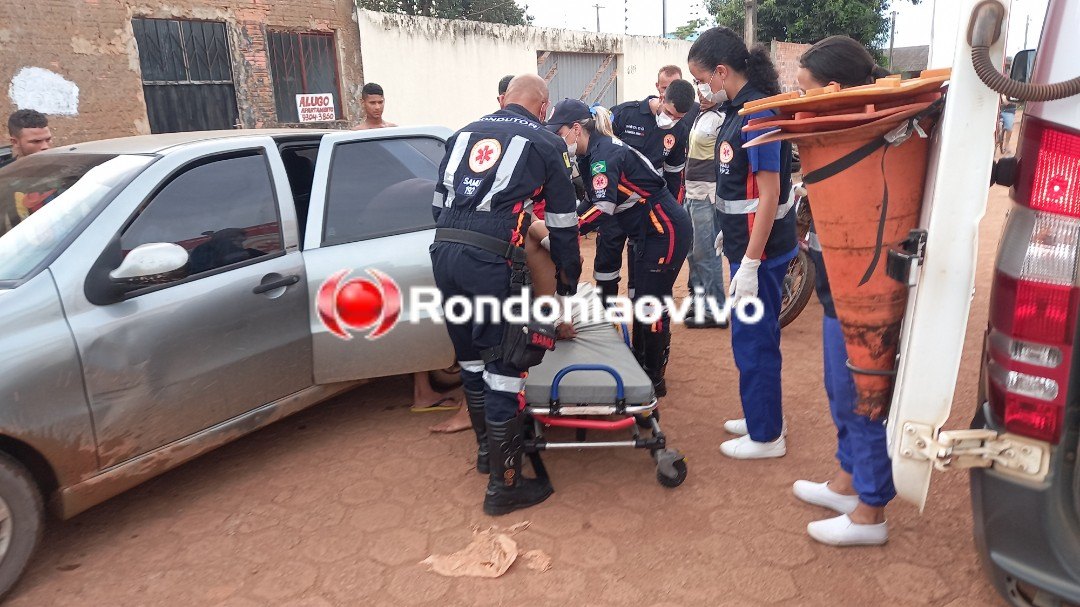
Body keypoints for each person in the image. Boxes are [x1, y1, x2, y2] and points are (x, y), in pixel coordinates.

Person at [430, 74, 581, 516]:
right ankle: (504, 486)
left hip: (444, 255)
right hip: (489, 263)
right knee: (504, 369)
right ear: (543, 107)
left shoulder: (461, 135)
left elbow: (438, 206)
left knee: (471, 358)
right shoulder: (547, 143)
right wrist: (568, 277)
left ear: (504, 100)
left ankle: (486, 454)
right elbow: (563, 224)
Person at [790, 35, 895, 547]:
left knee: (862, 397)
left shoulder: (872, 139)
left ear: (832, 89)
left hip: (863, 296)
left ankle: (870, 513)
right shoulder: (835, 137)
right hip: (836, 292)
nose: (799, 100)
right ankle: (848, 481)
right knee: (840, 390)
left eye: (804, 90)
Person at [688, 27, 797, 459]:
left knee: (753, 341)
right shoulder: (738, 110)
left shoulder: (758, 114)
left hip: (761, 252)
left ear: (721, 71)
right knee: (754, 336)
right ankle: (762, 416)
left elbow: (769, 194)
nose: (700, 88)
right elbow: (739, 187)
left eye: (701, 79)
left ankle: (767, 436)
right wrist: (727, 229)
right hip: (746, 244)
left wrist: (750, 262)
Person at [548, 98, 692, 397]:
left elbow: (602, 208)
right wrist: (566, 223)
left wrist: (566, 233)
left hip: (663, 229)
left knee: (651, 303)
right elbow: (591, 199)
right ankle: (640, 360)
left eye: (559, 132)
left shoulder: (604, 154)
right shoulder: (591, 154)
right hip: (646, 231)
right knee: (641, 298)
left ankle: (654, 376)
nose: (558, 140)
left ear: (576, 129)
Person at [588, 79, 695, 303]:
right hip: (615, 204)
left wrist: (670, 212)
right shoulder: (626, 113)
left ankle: (639, 310)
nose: (671, 120)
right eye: (669, 113)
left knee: (642, 259)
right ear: (662, 97)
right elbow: (598, 151)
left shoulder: (679, 130)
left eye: (678, 117)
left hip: (646, 209)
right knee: (607, 258)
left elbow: (674, 176)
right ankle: (606, 312)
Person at [683, 82, 728, 329]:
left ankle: (716, 309)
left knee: (706, 253)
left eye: (704, 86)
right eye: (697, 87)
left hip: (706, 196)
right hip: (692, 193)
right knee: (692, 252)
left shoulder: (721, 118)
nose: (700, 94)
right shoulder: (701, 115)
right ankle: (701, 304)